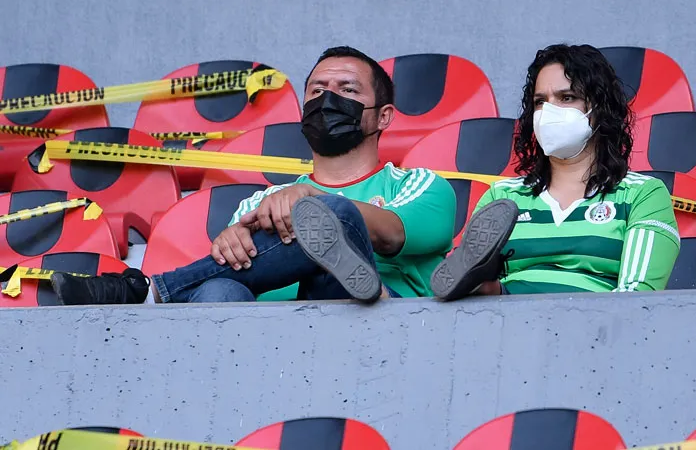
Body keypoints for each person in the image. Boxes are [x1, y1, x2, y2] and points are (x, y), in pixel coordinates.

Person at [52, 46, 457, 305]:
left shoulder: (421, 185)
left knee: (334, 217)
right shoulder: (258, 203)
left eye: (347, 90)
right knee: (218, 288)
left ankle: (148, 290)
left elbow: (391, 234)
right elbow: (237, 268)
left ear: (383, 117)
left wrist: (313, 201)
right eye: (317, 91)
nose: (328, 100)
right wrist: (229, 242)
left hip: (383, 327)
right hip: (277, 344)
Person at [430, 44, 680, 300]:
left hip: (600, 324)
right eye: (540, 101)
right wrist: (487, 287)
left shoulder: (642, 194)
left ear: (599, 108)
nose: (549, 111)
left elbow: (635, 299)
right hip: (506, 322)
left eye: (566, 97)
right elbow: (467, 290)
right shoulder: (502, 197)